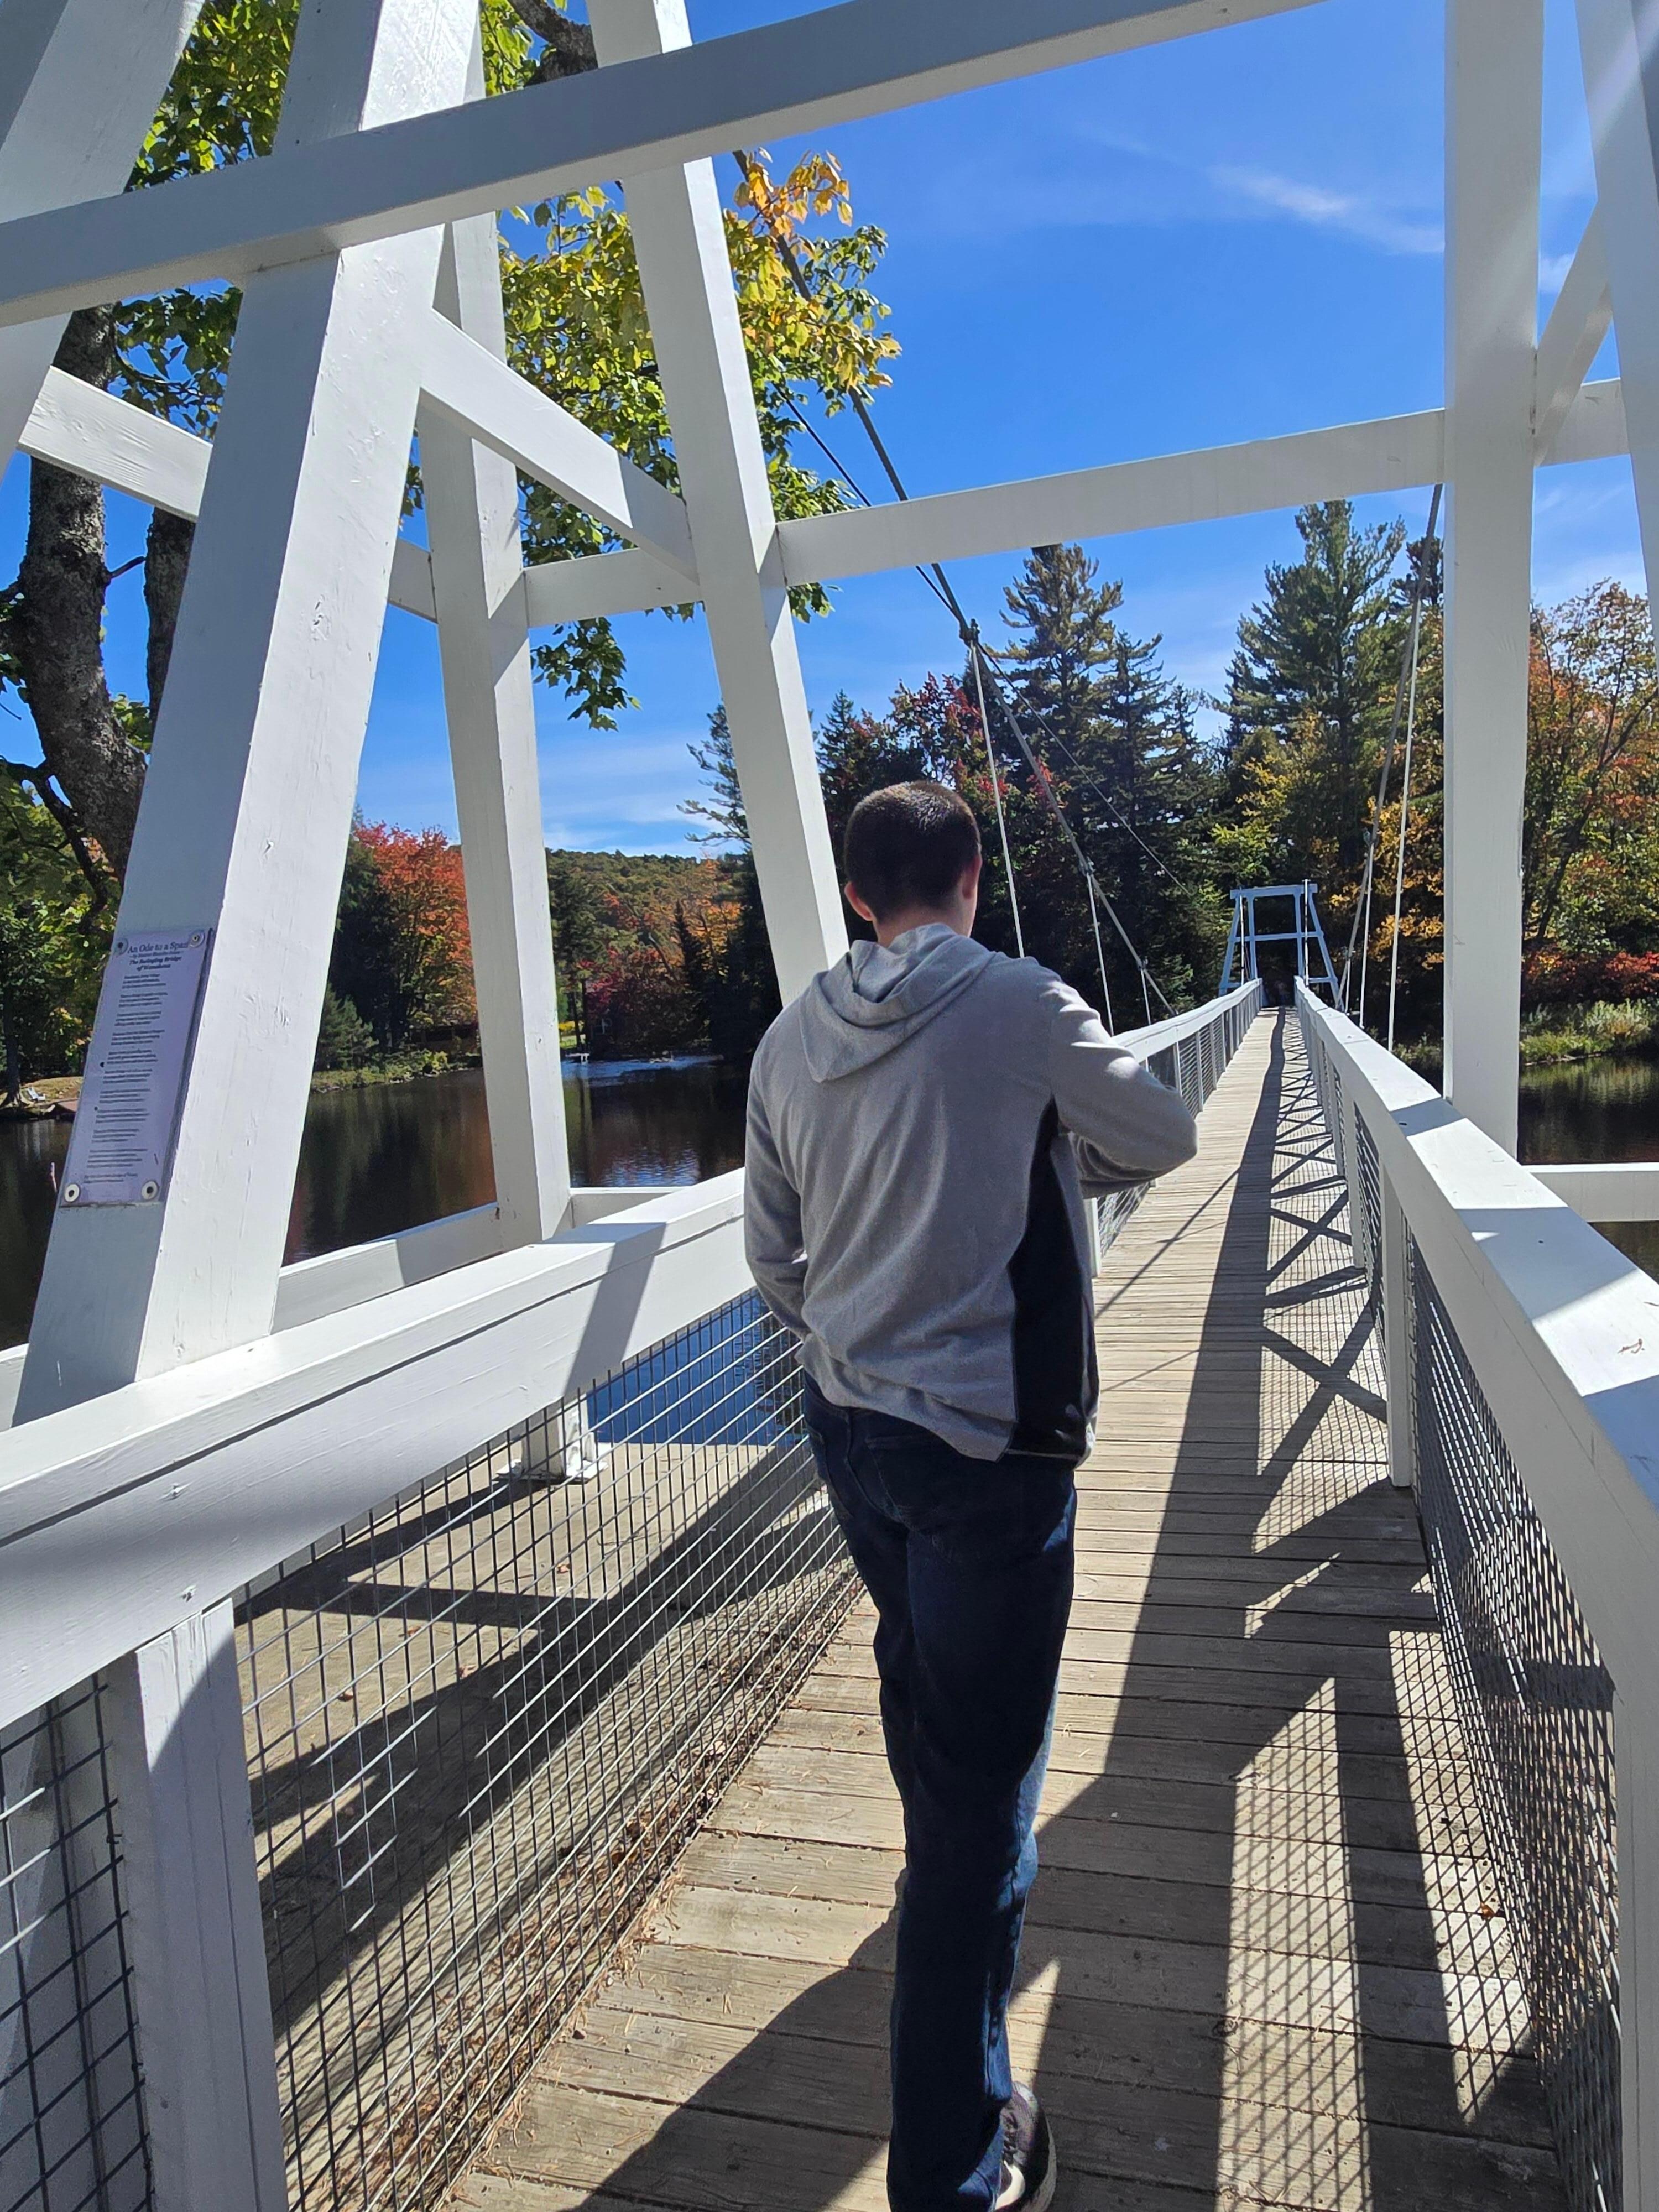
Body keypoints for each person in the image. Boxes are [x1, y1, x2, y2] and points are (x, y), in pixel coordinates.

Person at [744, 781, 1199, 2211]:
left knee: (917, 1672)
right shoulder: (1020, 1005)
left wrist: (863, 1330)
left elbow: (774, 1258)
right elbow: (1168, 1138)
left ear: (862, 896)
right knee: (984, 1808)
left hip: (852, 1427)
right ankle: (952, 2166)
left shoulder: (787, 1036)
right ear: (972, 879)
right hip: (994, 1455)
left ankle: (937, 1851)